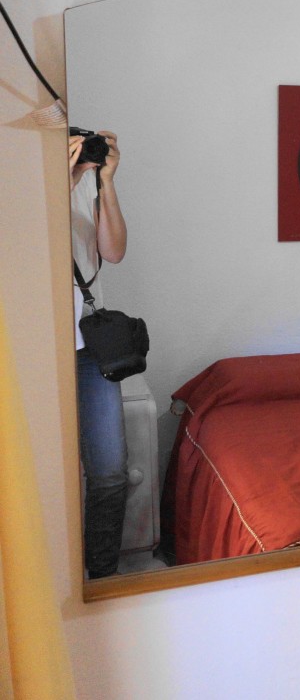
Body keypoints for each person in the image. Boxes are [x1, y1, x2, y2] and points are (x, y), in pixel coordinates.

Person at [70, 128, 129, 578]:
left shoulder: (90, 180)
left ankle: (103, 577)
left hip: (90, 347)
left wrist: (104, 180)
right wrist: (61, 181)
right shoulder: (26, 183)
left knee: (110, 471)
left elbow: (114, 250)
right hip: (38, 348)